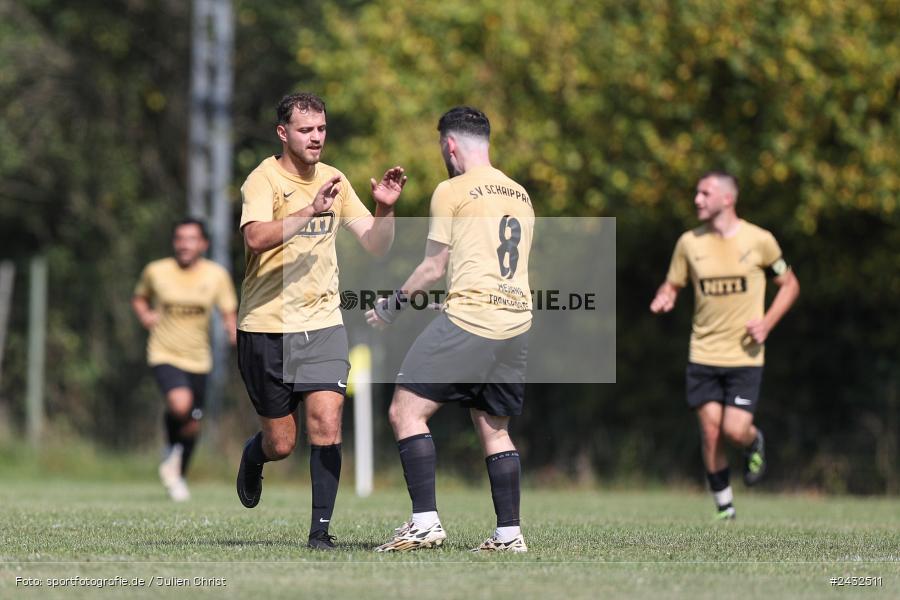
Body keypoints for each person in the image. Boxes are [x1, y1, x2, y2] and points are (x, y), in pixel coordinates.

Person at [234, 92, 406, 550]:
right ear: (283, 133)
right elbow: (254, 238)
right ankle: (254, 456)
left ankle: (320, 533)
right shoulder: (263, 180)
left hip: (323, 324)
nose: (316, 137)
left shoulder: (335, 179)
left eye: (322, 129)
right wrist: (309, 210)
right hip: (266, 326)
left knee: (327, 424)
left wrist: (385, 209)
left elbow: (376, 244)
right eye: (306, 129)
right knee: (282, 443)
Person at [366, 106, 534, 552]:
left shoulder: (452, 189)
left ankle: (424, 523)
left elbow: (433, 267)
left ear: (450, 144)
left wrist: (391, 306)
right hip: (516, 321)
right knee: (494, 426)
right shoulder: (519, 193)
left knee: (405, 412)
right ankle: (509, 534)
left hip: (472, 319)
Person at [650, 171, 800, 520]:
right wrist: (665, 295)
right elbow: (672, 284)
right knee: (711, 431)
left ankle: (753, 441)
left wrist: (767, 323)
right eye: (697, 193)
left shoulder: (759, 240)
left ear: (728, 198)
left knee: (734, 429)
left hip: (744, 356)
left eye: (705, 193)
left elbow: (790, 285)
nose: (697, 199)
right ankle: (725, 509)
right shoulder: (689, 243)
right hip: (703, 353)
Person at [132, 217, 238, 502]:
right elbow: (139, 298)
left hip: (199, 358)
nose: (184, 245)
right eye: (180, 238)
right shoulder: (156, 271)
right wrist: (145, 315)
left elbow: (228, 310)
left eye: (191, 239)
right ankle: (172, 455)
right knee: (180, 404)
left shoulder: (216, 275)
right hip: (164, 352)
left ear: (203, 244)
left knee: (192, 423)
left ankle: (177, 473)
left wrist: (232, 330)